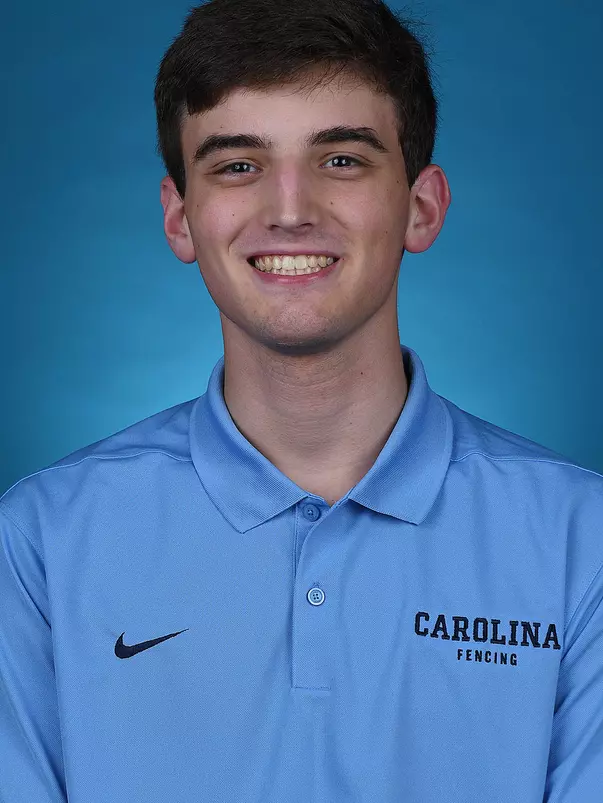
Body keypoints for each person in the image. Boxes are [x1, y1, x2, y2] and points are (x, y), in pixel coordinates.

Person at [1, 0, 602, 800]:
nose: (289, 210)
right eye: (237, 165)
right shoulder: (41, 540)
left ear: (420, 207)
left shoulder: (580, 542)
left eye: (342, 160)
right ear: (181, 219)